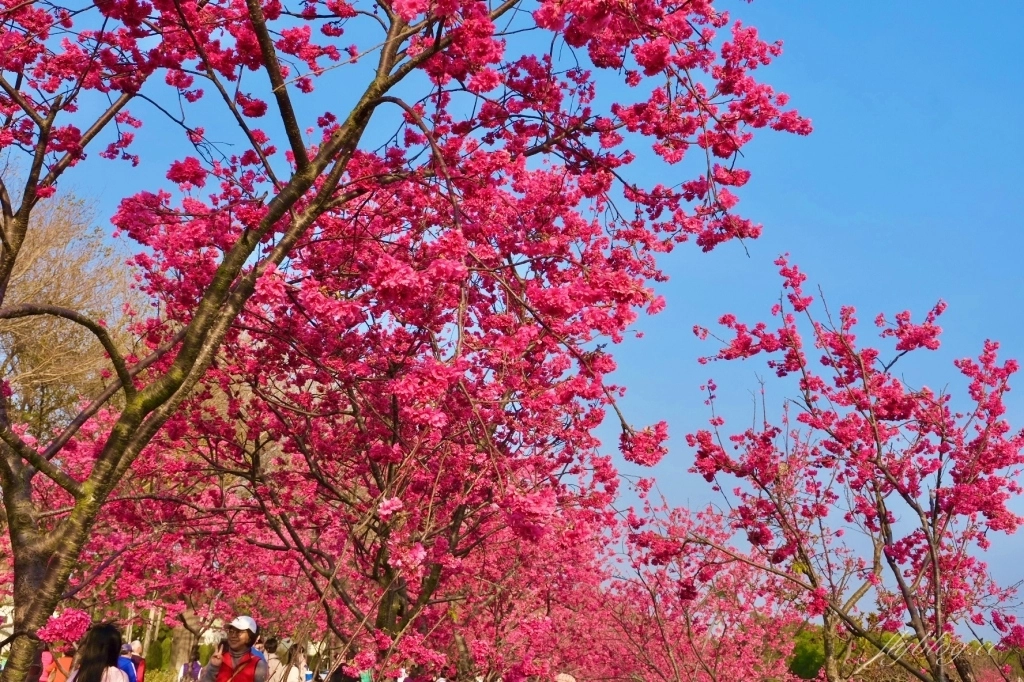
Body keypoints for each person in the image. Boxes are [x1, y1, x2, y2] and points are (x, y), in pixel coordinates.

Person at [199, 616, 268, 682]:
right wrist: (213, 668)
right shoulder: (218, 659)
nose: (233, 635)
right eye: (231, 631)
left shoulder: (258, 665)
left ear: (250, 637)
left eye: (239, 632)